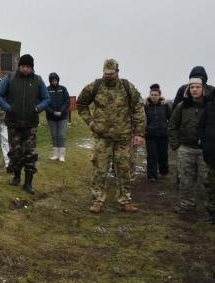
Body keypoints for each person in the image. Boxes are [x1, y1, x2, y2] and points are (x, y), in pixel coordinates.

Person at [76, 59, 145, 213]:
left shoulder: (127, 87)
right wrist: (91, 123)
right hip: (102, 137)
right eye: (106, 74)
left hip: (123, 137)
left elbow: (138, 109)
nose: (108, 76)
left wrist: (139, 133)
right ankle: (97, 201)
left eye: (111, 74)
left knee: (124, 169)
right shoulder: (94, 87)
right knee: (99, 170)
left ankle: (125, 201)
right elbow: (81, 104)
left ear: (117, 72)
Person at [0, 54, 49, 194]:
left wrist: (38, 108)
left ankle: (28, 183)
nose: (25, 69)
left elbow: (46, 98)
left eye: (28, 67)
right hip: (14, 123)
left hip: (30, 124)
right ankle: (16, 177)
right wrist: (8, 108)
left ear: (32, 68)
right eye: (23, 66)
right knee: (15, 152)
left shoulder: (38, 80)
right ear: (19, 66)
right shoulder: (10, 78)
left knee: (30, 153)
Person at [168, 78, 207, 214]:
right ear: (188, 90)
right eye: (192, 87)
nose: (194, 90)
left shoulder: (210, 105)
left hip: (205, 151)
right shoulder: (182, 106)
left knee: (206, 180)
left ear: (203, 89)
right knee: (185, 179)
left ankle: (208, 208)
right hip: (185, 148)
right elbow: (172, 125)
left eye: (197, 87)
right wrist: (176, 145)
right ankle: (186, 204)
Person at [144, 83, 171, 182]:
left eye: (156, 95)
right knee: (152, 156)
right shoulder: (145, 106)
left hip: (163, 135)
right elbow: (142, 120)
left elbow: (171, 118)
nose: (154, 97)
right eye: (152, 95)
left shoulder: (165, 106)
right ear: (149, 95)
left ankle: (164, 172)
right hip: (150, 136)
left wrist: (169, 129)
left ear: (159, 95)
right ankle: (152, 176)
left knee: (163, 155)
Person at [196, 92, 215, 223]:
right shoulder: (209, 107)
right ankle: (212, 213)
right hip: (211, 153)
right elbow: (201, 126)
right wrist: (204, 142)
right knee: (211, 183)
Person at [45, 72, 70, 162]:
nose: (54, 82)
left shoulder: (63, 89)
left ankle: (62, 155)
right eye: (52, 80)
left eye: (55, 80)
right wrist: (52, 112)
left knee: (61, 135)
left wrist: (61, 111)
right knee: (54, 135)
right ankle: (55, 154)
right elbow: (45, 103)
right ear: (50, 81)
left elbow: (67, 101)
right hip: (51, 117)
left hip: (62, 117)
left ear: (58, 80)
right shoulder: (46, 90)